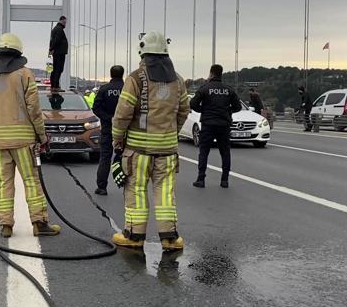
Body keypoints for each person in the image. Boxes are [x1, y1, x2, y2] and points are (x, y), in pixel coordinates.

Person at [110, 31, 190, 251]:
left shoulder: (135, 78)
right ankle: (169, 238)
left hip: (138, 150)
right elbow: (184, 111)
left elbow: (122, 114)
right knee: (165, 192)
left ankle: (134, 236)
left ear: (142, 53)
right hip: (167, 150)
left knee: (136, 190)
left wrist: (117, 139)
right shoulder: (178, 80)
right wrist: (171, 132)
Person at [0, 32, 61, 238]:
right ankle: (39, 224)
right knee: (31, 181)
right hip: (24, 141)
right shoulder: (25, 74)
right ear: (18, 52)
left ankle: (5, 225)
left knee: (3, 183)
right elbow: (34, 108)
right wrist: (42, 136)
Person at [190, 64, 242, 189]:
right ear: (221, 74)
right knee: (225, 152)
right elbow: (238, 107)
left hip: (208, 124)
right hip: (224, 124)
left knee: (204, 151)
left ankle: (201, 179)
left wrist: (204, 110)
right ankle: (225, 180)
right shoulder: (228, 90)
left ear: (211, 73)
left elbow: (193, 103)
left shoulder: (205, 88)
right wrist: (227, 111)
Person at [92, 65, 125, 196]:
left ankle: (102, 187)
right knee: (126, 158)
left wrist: (108, 118)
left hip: (108, 128)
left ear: (111, 75)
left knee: (105, 158)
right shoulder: (128, 89)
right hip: (125, 130)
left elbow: (96, 107)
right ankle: (127, 187)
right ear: (122, 75)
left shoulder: (104, 89)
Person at [48, 16, 68, 92]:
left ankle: (53, 85)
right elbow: (57, 40)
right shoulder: (59, 29)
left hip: (56, 52)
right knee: (59, 69)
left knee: (55, 69)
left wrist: (51, 48)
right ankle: (55, 86)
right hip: (60, 52)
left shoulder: (54, 29)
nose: (65, 24)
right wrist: (51, 48)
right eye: (65, 22)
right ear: (62, 21)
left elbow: (52, 41)